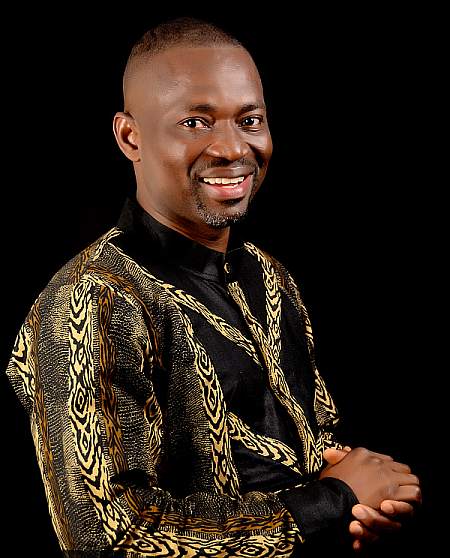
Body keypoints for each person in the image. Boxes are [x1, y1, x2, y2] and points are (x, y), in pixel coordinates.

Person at [5, 17, 421, 557]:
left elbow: (315, 450)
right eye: (195, 123)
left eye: (249, 120)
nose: (231, 148)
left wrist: (366, 505)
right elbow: (107, 536)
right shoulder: (93, 300)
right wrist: (333, 501)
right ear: (130, 137)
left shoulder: (268, 276)